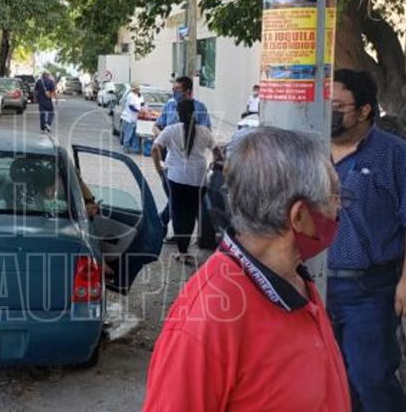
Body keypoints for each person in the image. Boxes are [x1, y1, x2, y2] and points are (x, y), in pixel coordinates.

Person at [144, 127, 351, 411]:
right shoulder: (207, 321)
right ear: (299, 216)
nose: (339, 208)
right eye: (334, 197)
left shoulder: (294, 277)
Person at [328, 69, 406, 412]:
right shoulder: (312, 150)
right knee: (332, 378)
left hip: (369, 290)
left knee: (371, 377)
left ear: (364, 110)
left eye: (337, 106)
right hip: (316, 286)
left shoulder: (395, 155)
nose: (328, 113)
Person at [153, 76, 214, 247]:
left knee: (178, 203)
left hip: (190, 167)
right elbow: (156, 126)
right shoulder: (169, 106)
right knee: (179, 203)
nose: (174, 92)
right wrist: (161, 136)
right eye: (173, 89)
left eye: (177, 89)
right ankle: (183, 236)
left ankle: (162, 227)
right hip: (171, 165)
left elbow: (207, 132)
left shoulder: (199, 108)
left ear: (188, 91)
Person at [121, 83, 144, 154]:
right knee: (128, 134)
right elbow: (131, 107)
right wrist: (139, 111)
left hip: (136, 118)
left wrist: (143, 108)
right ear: (134, 89)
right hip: (129, 118)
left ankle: (135, 148)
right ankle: (126, 148)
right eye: (137, 89)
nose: (138, 90)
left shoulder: (139, 95)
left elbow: (142, 103)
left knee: (135, 135)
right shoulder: (130, 96)